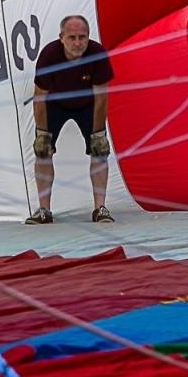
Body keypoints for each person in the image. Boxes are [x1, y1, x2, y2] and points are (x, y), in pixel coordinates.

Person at [26, 14, 116, 223]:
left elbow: (101, 97)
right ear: (62, 38)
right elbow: (39, 97)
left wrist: (98, 134)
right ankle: (44, 210)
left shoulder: (97, 54)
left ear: (88, 37)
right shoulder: (49, 55)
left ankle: (100, 208)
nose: (77, 43)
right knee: (43, 151)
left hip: (87, 104)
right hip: (54, 104)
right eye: (72, 38)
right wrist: (42, 134)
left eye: (82, 37)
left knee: (99, 151)